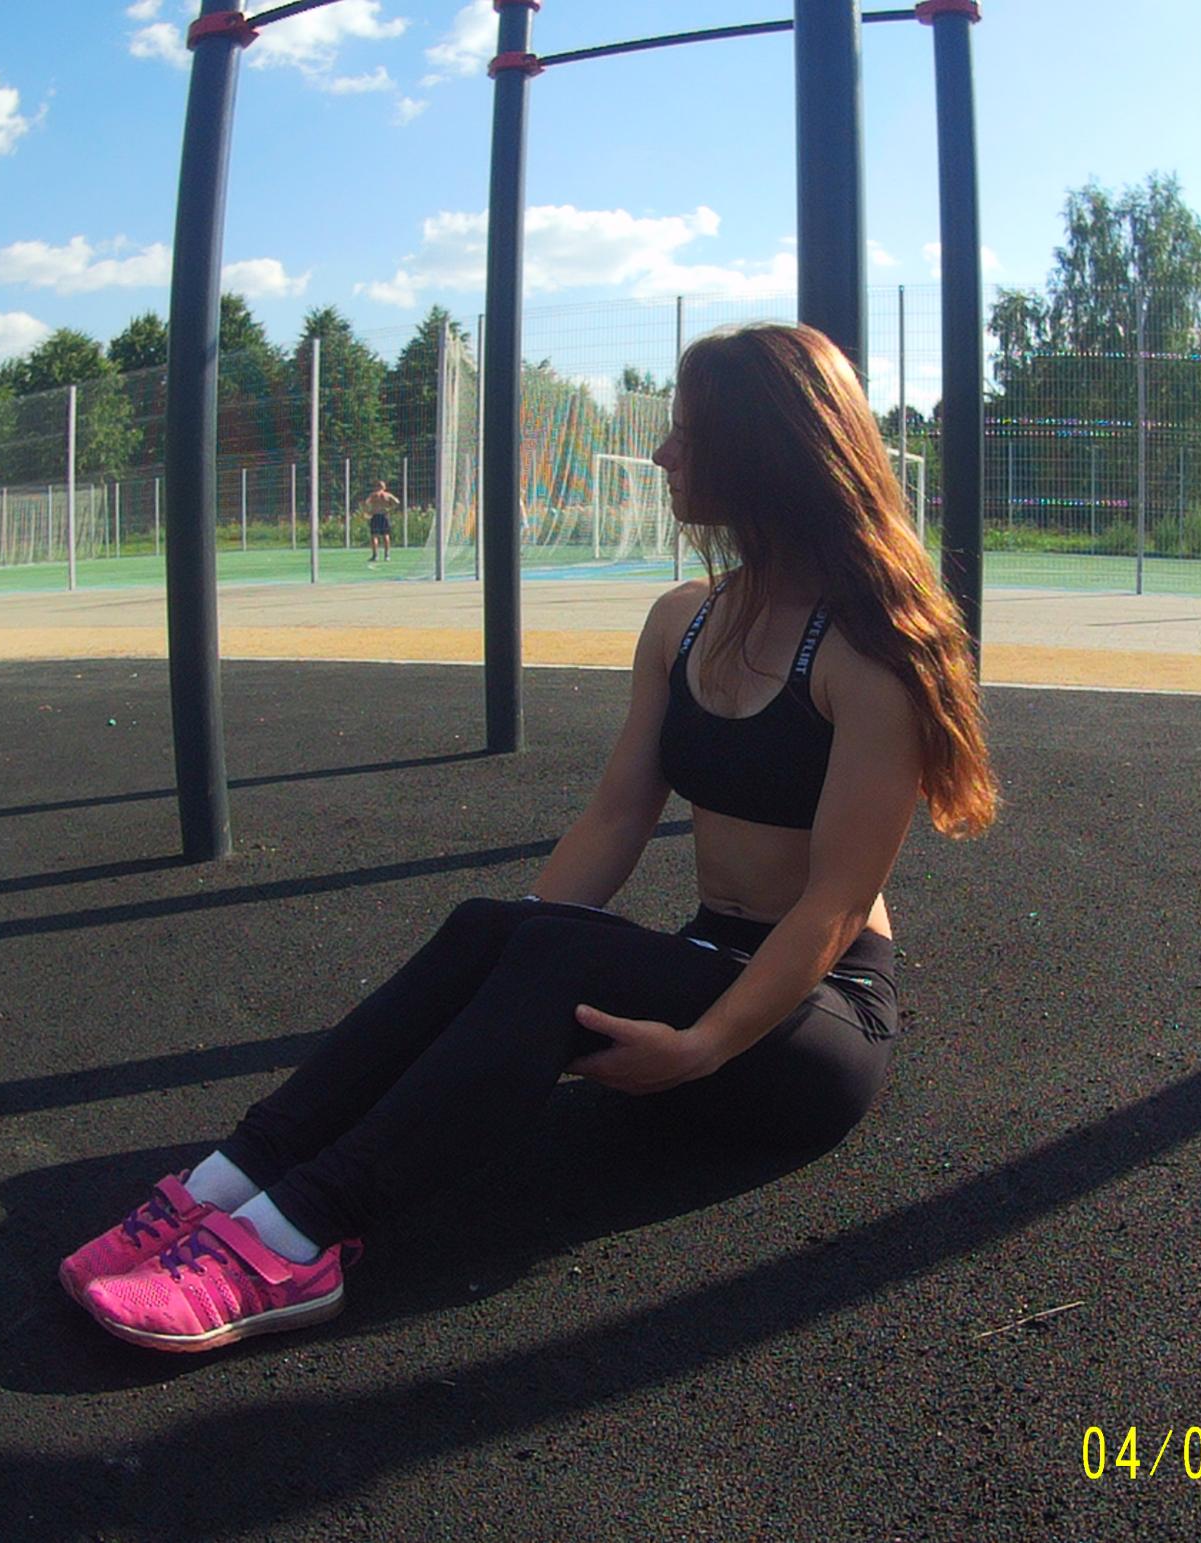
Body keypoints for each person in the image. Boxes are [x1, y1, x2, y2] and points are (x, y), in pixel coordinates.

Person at [58, 323, 998, 1353]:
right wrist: (507, 961)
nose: (661, 455)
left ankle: (294, 1238)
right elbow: (616, 816)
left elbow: (833, 903)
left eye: (686, 437)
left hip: (812, 1025)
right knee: (491, 926)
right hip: (705, 957)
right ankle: (222, 1182)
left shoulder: (871, 654)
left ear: (762, 456)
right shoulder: (684, 619)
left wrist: (700, 1045)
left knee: (549, 953)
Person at [364, 479, 400, 562]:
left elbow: (366, 502)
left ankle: (375, 555)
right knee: (386, 535)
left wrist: (369, 511)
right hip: (384, 515)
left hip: (375, 516)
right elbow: (397, 502)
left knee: (374, 536)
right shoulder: (387, 495)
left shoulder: (374, 495)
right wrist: (390, 508)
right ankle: (387, 555)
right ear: (383, 487)